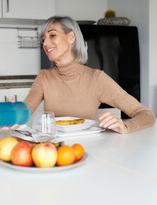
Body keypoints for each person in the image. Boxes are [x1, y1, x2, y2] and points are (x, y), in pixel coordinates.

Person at [10, 16, 155, 134]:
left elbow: (146, 115)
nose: (45, 43)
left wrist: (125, 126)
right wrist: (10, 115)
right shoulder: (44, 77)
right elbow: (25, 111)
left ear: (71, 37)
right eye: (43, 39)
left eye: (52, 35)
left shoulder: (96, 79)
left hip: (88, 150)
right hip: (54, 150)